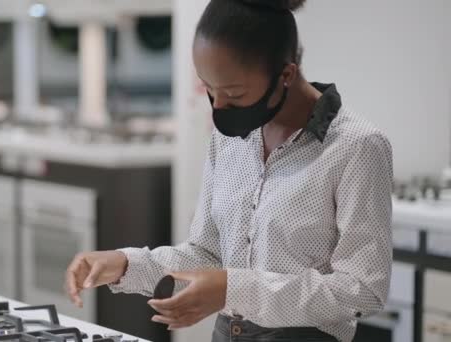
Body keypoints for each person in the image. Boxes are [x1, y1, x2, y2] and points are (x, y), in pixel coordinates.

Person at [65, 0, 393, 341]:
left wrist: (233, 288)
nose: (219, 107)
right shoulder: (231, 139)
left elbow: (362, 289)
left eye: (234, 94)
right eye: (209, 89)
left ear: (286, 75)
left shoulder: (357, 147)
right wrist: (126, 264)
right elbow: (206, 253)